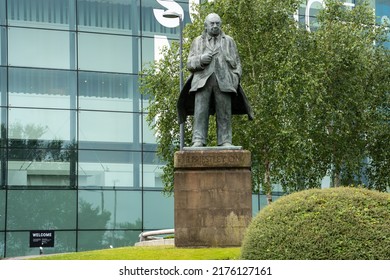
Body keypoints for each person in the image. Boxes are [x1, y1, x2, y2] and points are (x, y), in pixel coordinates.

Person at [177, 13, 253, 147]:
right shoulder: (197, 41)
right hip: (202, 82)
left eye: (217, 23)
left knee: (224, 112)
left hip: (224, 82)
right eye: (212, 24)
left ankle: (225, 140)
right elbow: (189, 63)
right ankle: (198, 140)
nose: (215, 26)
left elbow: (237, 62)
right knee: (200, 112)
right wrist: (200, 60)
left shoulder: (229, 41)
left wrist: (235, 78)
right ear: (205, 26)